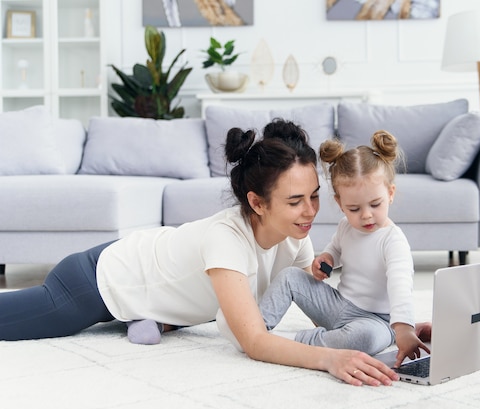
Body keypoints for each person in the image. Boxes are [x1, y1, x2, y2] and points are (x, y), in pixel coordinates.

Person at [0, 119, 398, 387]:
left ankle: (154, 318)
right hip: (94, 281)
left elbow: (326, 299)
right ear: (258, 203)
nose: (310, 211)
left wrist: (397, 321)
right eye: (295, 201)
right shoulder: (226, 239)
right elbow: (254, 341)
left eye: (314, 196)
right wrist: (330, 359)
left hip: (143, 279)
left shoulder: (296, 236)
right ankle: (149, 315)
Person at [257, 130, 432, 368]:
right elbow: (335, 251)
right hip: (338, 304)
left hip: (375, 320)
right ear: (340, 204)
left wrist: (403, 329)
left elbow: (400, 287)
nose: (366, 215)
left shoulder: (393, 241)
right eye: (354, 209)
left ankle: (295, 341)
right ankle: (258, 329)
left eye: (375, 204)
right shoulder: (345, 227)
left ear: (390, 194)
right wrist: (326, 258)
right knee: (289, 277)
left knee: (365, 339)